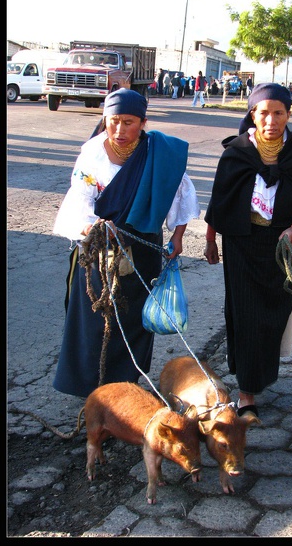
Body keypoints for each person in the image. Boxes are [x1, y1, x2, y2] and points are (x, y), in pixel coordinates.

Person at [52, 88, 200, 398]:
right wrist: (91, 225)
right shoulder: (92, 153)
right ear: (104, 119)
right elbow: (80, 199)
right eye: (113, 121)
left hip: (143, 249)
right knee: (95, 319)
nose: (119, 131)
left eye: (129, 122)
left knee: (133, 321)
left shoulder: (161, 153)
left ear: (143, 122)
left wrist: (177, 237)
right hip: (97, 248)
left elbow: (181, 192)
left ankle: (125, 391)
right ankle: (91, 393)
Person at [203, 83, 292, 417]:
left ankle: (260, 376)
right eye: (263, 112)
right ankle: (247, 395)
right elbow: (220, 200)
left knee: (273, 316)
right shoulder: (236, 153)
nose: (270, 120)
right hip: (242, 243)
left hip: (280, 247)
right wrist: (211, 238)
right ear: (252, 114)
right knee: (246, 317)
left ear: (288, 114)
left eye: (278, 112)